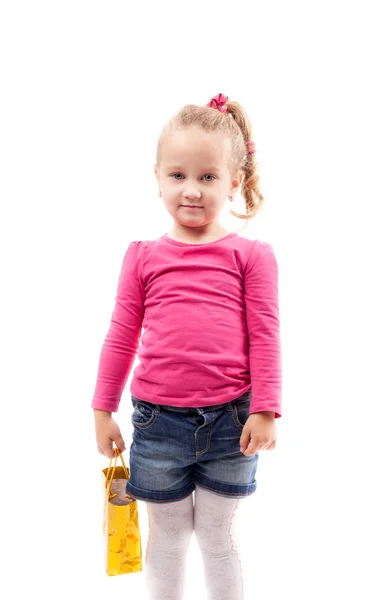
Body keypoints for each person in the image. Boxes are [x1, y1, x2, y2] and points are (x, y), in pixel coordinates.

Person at [92, 93, 282, 599]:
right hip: (157, 423)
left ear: (234, 181)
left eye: (207, 177)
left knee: (218, 537)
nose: (191, 190)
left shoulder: (252, 256)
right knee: (170, 537)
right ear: (156, 177)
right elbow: (120, 335)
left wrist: (266, 409)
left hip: (233, 423)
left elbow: (265, 334)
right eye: (178, 176)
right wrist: (102, 409)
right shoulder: (141, 257)